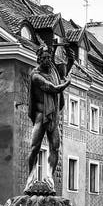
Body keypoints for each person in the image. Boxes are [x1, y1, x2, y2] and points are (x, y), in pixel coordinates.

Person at [25, 46, 72, 192]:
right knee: (34, 147)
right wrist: (66, 84)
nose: (46, 60)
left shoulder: (53, 72)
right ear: (39, 59)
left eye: (48, 58)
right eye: (44, 58)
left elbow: (64, 69)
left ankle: (49, 177)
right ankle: (31, 176)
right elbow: (51, 87)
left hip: (53, 116)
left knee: (55, 147)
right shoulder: (35, 75)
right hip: (40, 115)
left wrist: (71, 58)